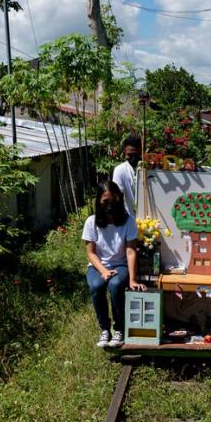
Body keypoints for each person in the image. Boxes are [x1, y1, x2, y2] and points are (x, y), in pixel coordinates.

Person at [83, 181, 146, 348]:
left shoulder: (128, 221)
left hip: (120, 265)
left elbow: (131, 251)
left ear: (119, 199)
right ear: (98, 202)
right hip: (97, 266)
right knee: (96, 286)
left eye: (113, 201)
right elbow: (90, 252)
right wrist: (103, 270)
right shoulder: (91, 222)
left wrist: (132, 279)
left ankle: (119, 328)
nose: (109, 205)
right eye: (105, 202)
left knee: (116, 284)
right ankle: (105, 329)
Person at [112, 134, 141, 216]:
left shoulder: (149, 167)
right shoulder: (120, 170)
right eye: (129, 154)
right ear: (124, 152)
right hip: (130, 218)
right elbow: (117, 196)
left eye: (135, 154)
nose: (132, 158)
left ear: (140, 151)